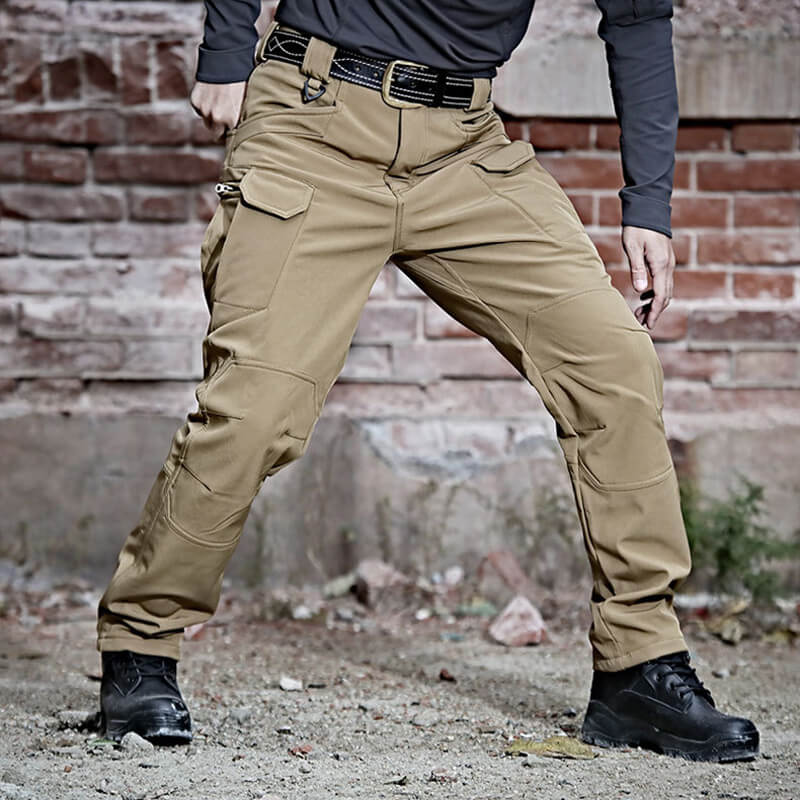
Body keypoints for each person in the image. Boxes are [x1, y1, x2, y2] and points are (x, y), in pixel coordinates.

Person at [96, 0, 759, 762]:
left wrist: (649, 204)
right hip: (313, 121)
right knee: (255, 406)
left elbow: (638, 17)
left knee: (613, 363)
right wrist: (223, 48)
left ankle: (639, 667)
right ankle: (140, 641)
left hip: (464, 144)